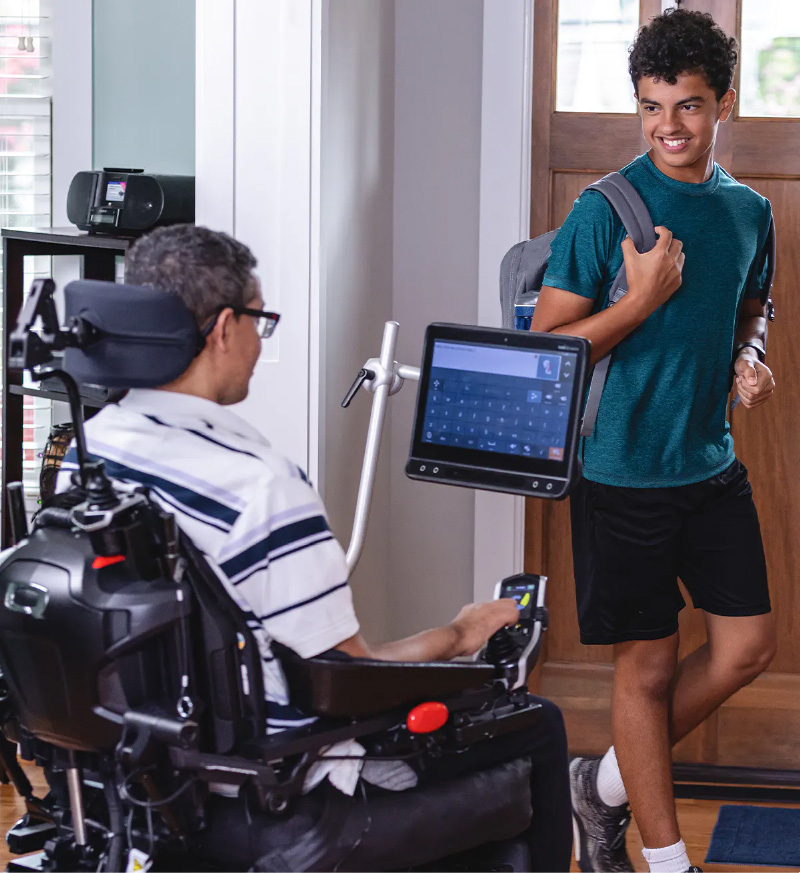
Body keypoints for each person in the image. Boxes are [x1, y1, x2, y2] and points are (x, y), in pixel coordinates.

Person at [57, 223, 572, 871]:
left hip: (151, 782)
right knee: (537, 723)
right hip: (281, 795)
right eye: (257, 320)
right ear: (222, 329)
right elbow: (344, 683)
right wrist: (460, 637)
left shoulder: (91, 451)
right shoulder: (261, 486)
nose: (255, 339)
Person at [530, 9, 776, 873]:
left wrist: (749, 357)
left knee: (748, 646)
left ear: (724, 105)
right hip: (621, 470)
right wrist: (639, 301)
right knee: (647, 668)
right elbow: (546, 353)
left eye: (690, 106)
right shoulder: (605, 208)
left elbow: (754, 308)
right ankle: (667, 860)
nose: (669, 126)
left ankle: (598, 786)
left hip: (708, 463)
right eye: (651, 106)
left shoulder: (750, 211)